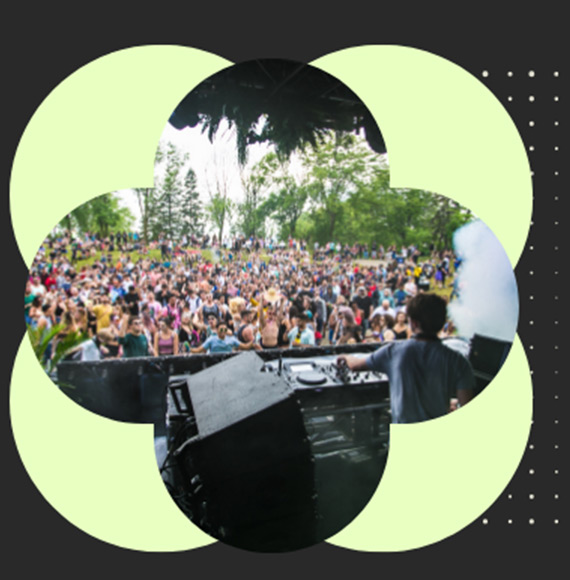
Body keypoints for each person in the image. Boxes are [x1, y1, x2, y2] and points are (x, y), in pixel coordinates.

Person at [337, 293, 474, 424]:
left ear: (413, 323)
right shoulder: (459, 361)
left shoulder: (393, 351)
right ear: (442, 322)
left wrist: (346, 357)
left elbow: (355, 365)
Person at [190, 324, 258, 354]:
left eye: (225, 329)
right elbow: (198, 350)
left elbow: (245, 347)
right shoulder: (211, 339)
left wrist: (253, 341)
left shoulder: (232, 339)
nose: (223, 331)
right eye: (221, 329)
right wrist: (190, 349)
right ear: (217, 330)